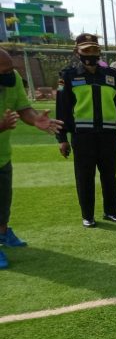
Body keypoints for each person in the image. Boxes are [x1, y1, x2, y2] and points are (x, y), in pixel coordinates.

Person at [55, 33, 116, 227]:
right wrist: (62, 138)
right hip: (83, 136)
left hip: (108, 134)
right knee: (85, 177)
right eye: (86, 50)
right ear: (77, 52)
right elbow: (62, 109)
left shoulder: (111, 74)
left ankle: (111, 212)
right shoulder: (68, 75)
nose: (91, 53)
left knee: (109, 175)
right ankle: (88, 215)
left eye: (94, 49)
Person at [0, 48, 63, 269]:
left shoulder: (13, 79)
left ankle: (3, 232)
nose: (10, 74)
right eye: (4, 72)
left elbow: (23, 107)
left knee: (3, 199)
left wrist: (35, 119)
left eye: (11, 69)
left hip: (2, 154)